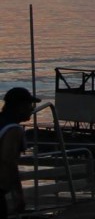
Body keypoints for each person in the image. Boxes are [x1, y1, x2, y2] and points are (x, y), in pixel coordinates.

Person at [1, 87, 39, 219]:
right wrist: (18, 195)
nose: (32, 109)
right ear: (19, 106)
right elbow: (9, 161)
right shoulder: (13, 129)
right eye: (29, 104)